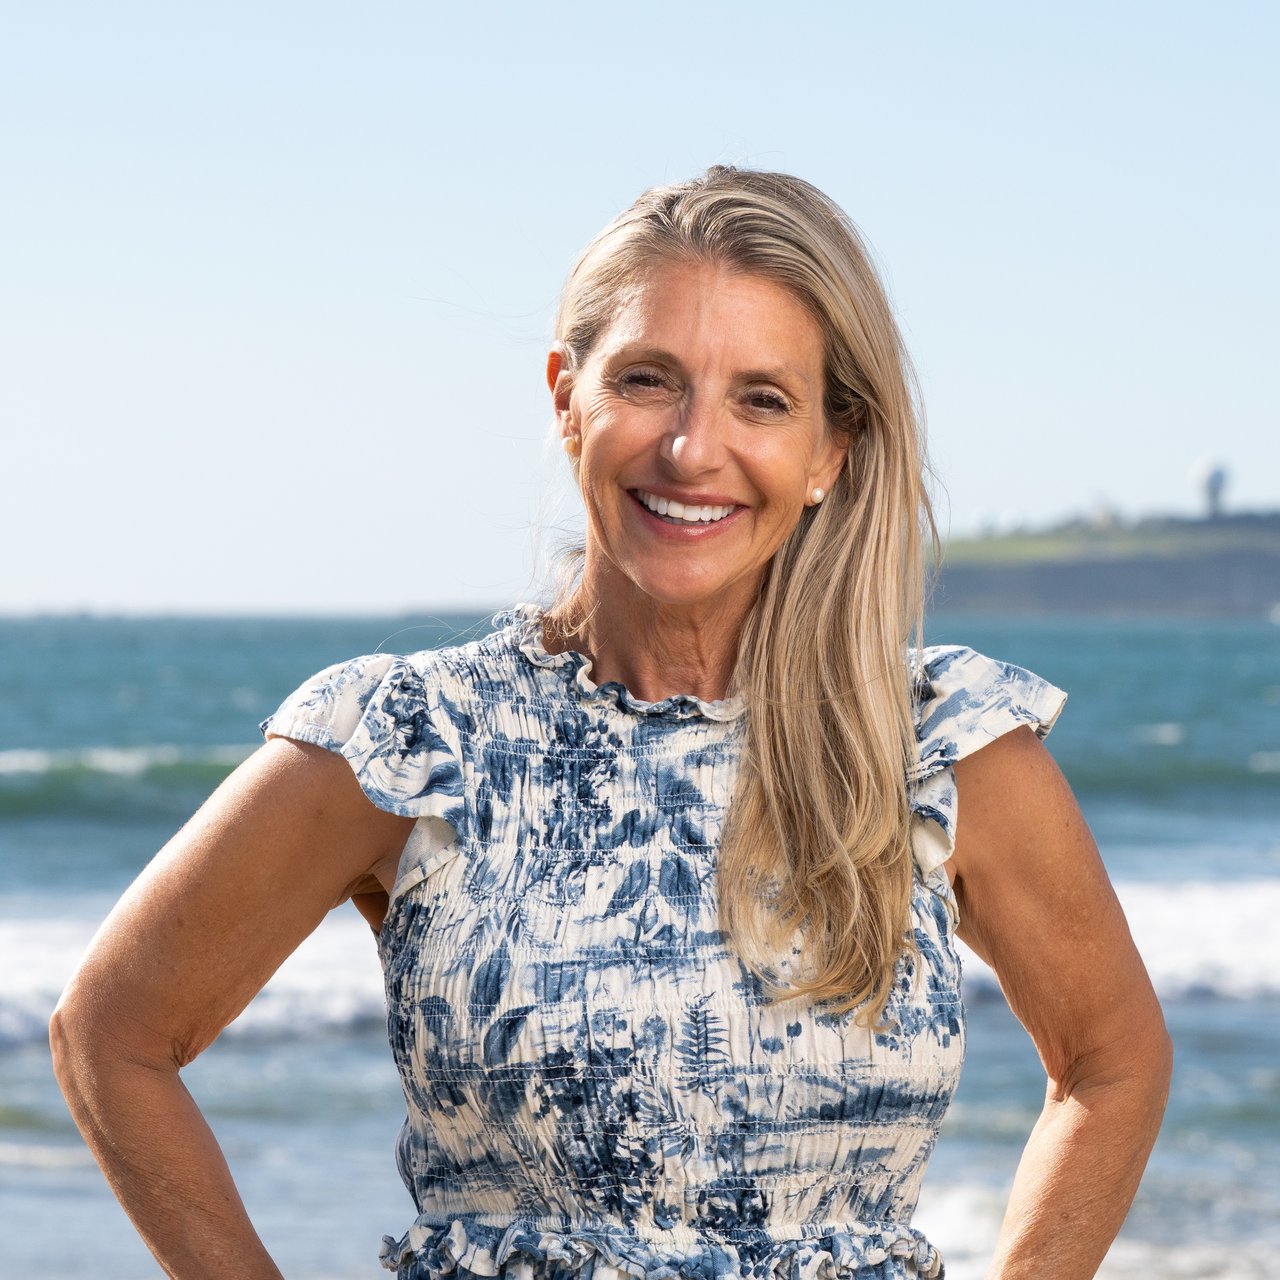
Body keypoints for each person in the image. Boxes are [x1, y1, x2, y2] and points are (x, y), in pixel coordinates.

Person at [50, 166, 1171, 1279]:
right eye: (647, 379)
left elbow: (1111, 1060)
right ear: (564, 396)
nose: (691, 448)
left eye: (761, 399)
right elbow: (112, 1034)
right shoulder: (413, 736)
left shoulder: (938, 742)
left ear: (831, 450)